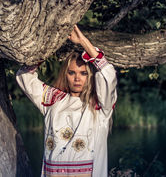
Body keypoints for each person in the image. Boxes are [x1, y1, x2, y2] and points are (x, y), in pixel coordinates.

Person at [16, 25, 117, 177]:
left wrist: (83, 41)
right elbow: (24, 76)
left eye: (83, 73)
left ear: (90, 75)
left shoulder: (100, 106)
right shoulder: (53, 100)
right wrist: (48, 47)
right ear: (65, 74)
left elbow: (108, 75)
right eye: (72, 73)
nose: (77, 78)